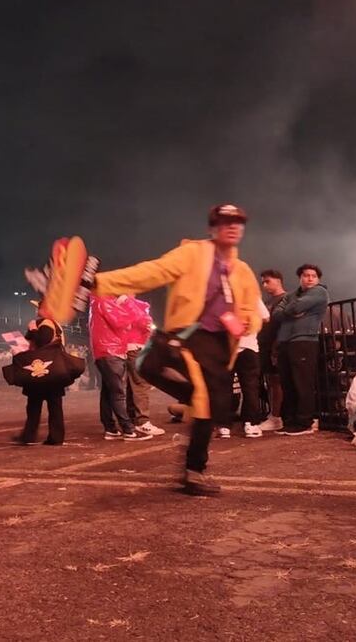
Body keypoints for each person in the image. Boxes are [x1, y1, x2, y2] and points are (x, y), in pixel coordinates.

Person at [93, 204, 261, 496]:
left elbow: (251, 309)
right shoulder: (192, 253)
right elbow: (151, 272)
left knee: (211, 408)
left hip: (221, 348)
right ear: (212, 228)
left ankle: (194, 469)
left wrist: (248, 322)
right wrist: (99, 282)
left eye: (238, 222)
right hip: (189, 337)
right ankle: (193, 466)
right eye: (225, 222)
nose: (233, 227)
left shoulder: (243, 271)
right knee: (196, 394)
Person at [271, 264, 329, 436]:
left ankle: (304, 422)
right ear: (300, 278)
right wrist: (291, 310)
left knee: (302, 383)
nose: (309, 278)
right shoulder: (291, 295)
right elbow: (276, 314)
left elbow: (293, 308)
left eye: (313, 276)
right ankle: (290, 421)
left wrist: (289, 309)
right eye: (306, 275)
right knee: (287, 383)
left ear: (318, 279)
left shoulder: (319, 292)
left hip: (304, 341)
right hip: (285, 342)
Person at [89, 294, 153, 441]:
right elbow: (122, 322)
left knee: (108, 392)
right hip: (111, 350)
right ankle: (128, 430)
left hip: (105, 351)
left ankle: (110, 428)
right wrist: (129, 304)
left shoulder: (98, 301)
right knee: (118, 393)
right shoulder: (104, 300)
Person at [15, 317, 70, 445]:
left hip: (42, 371)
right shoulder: (55, 324)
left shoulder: (46, 323)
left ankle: (30, 436)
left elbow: (42, 341)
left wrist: (33, 329)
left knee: (35, 406)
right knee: (53, 406)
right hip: (53, 371)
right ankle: (54, 437)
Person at [226, 295, 270, 438]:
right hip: (249, 347)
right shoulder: (252, 295)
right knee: (250, 387)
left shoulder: (222, 295)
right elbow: (266, 317)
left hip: (226, 349)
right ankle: (250, 424)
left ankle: (224, 426)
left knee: (224, 388)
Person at [122, 296, 164, 437]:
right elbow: (144, 322)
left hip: (129, 347)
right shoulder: (128, 302)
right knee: (140, 384)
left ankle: (132, 420)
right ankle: (142, 422)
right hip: (135, 347)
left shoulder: (122, 302)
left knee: (132, 385)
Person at [256, 270, 286, 433]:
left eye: (267, 281)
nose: (264, 285)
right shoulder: (268, 301)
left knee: (276, 381)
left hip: (276, 346)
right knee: (269, 381)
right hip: (264, 345)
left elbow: (282, 325)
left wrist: (276, 347)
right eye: (263, 282)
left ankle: (276, 417)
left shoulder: (285, 299)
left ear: (278, 280)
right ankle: (273, 414)